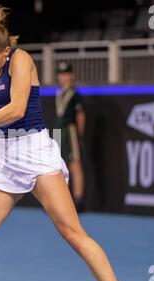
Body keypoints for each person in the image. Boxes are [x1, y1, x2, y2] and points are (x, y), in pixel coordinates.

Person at [0, 5, 124, 281]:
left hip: (35, 152)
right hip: (5, 159)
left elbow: (17, 109)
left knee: (74, 235)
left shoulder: (21, 60)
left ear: (6, 50)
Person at [55, 62, 85, 210]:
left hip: (70, 131)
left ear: (72, 75)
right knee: (58, 166)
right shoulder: (59, 94)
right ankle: (60, 201)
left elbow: (80, 116)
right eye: (61, 74)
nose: (64, 77)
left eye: (66, 74)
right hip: (59, 132)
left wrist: (78, 135)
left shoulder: (75, 95)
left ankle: (78, 200)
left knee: (75, 164)